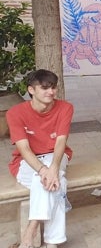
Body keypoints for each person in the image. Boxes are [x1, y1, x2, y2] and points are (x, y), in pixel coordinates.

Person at [6, 69, 74, 248]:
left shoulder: (65, 108)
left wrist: (52, 167)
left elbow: (61, 142)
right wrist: (46, 171)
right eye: (44, 88)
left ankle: (30, 232)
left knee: (49, 179)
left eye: (53, 87)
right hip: (26, 161)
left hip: (56, 156)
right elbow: (24, 149)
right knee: (56, 182)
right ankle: (52, 243)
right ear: (31, 90)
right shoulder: (14, 113)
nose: (50, 92)